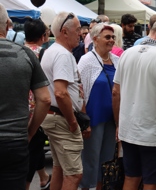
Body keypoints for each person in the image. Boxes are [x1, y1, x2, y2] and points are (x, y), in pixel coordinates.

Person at [113, 17, 156, 190]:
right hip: (154, 133)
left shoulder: (127, 53)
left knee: (131, 177)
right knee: (152, 182)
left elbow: (116, 93)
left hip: (129, 129)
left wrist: (118, 124)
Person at [0, 3, 51, 190]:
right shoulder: (26, 55)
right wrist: (30, 132)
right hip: (15, 140)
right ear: (8, 25)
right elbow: (45, 99)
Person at [40, 12, 86, 190]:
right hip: (62, 118)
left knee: (60, 168)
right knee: (74, 175)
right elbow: (60, 93)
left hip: (54, 116)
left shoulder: (52, 51)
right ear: (64, 32)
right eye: (77, 30)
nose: (81, 33)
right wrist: (73, 122)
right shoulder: (63, 55)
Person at [77, 23, 119, 190]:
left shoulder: (117, 60)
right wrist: (84, 119)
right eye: (107, 37)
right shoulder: (86, 61)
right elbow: (80, 91)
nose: (111, 40)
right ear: (95, 39)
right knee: (90, 160)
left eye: (113, 37)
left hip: (112, 118)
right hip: (93, 118)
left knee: (107, 160)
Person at [23, 18, 52, 190]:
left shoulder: (19, 51)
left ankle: (43, 177)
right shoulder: (43, 54)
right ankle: (27, 185)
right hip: (37, 109)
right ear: (43, 36)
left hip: (20, 108)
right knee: (34, 147)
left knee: (36, 145)